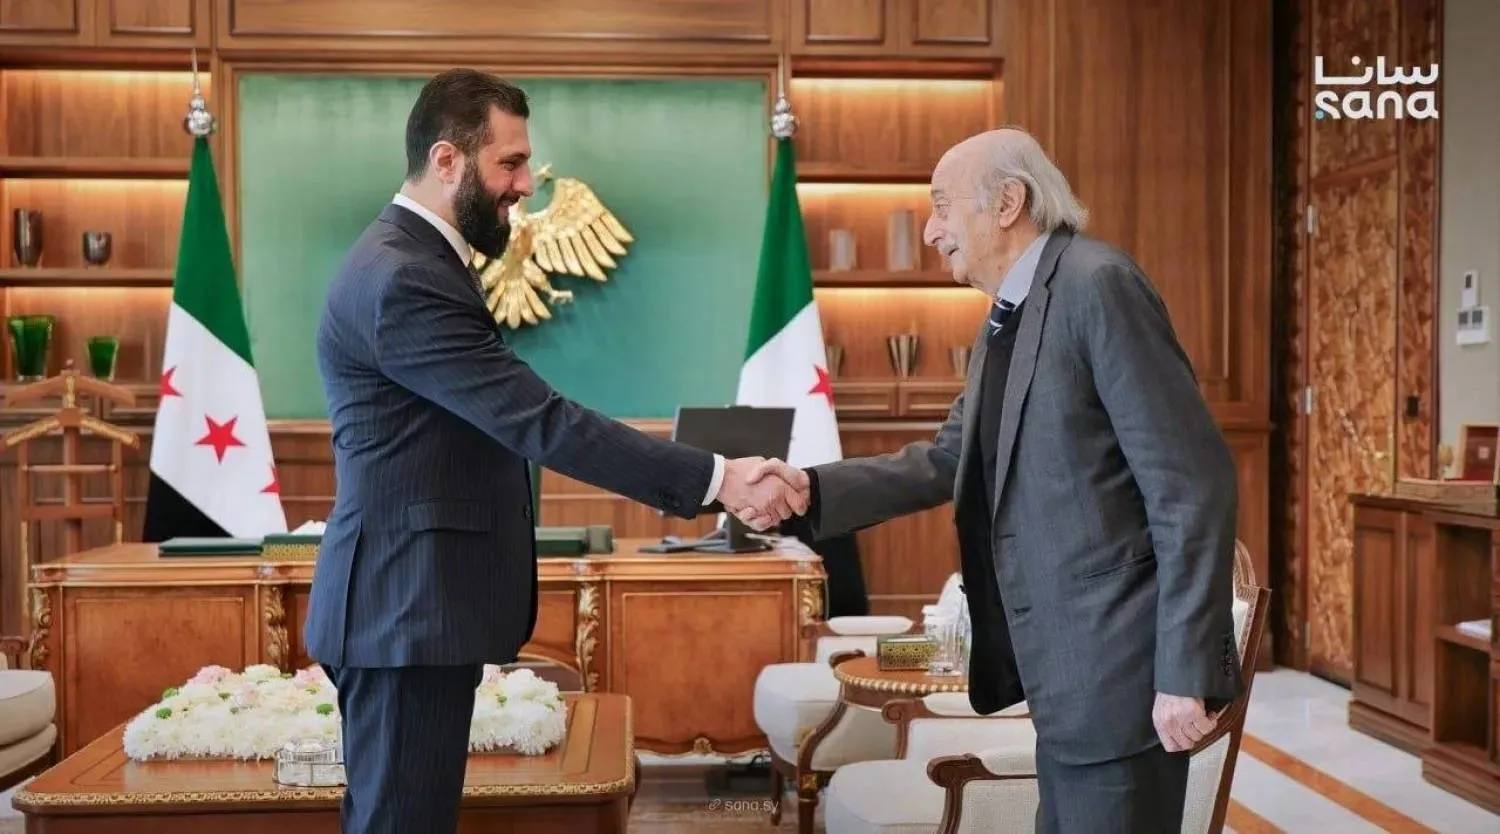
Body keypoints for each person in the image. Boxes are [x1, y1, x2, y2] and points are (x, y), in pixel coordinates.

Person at [305, 68, 806, 834]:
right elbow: (538, 420)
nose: (523, 187)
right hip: (401, 610)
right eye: (508, 165)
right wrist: (717, 476)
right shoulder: (404, 276)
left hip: (407, 608)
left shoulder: (411, 259)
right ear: (447, 161)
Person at [740, 127, 1243, 832]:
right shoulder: (1012, 315)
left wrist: (1185, 673)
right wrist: (810, 491)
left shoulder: (1099, 285)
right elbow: (948, 460)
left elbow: (1192, 484)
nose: (930, 229)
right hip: (1065, 678)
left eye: (943, 205)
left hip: (1120, 673)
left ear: (1009, 202)